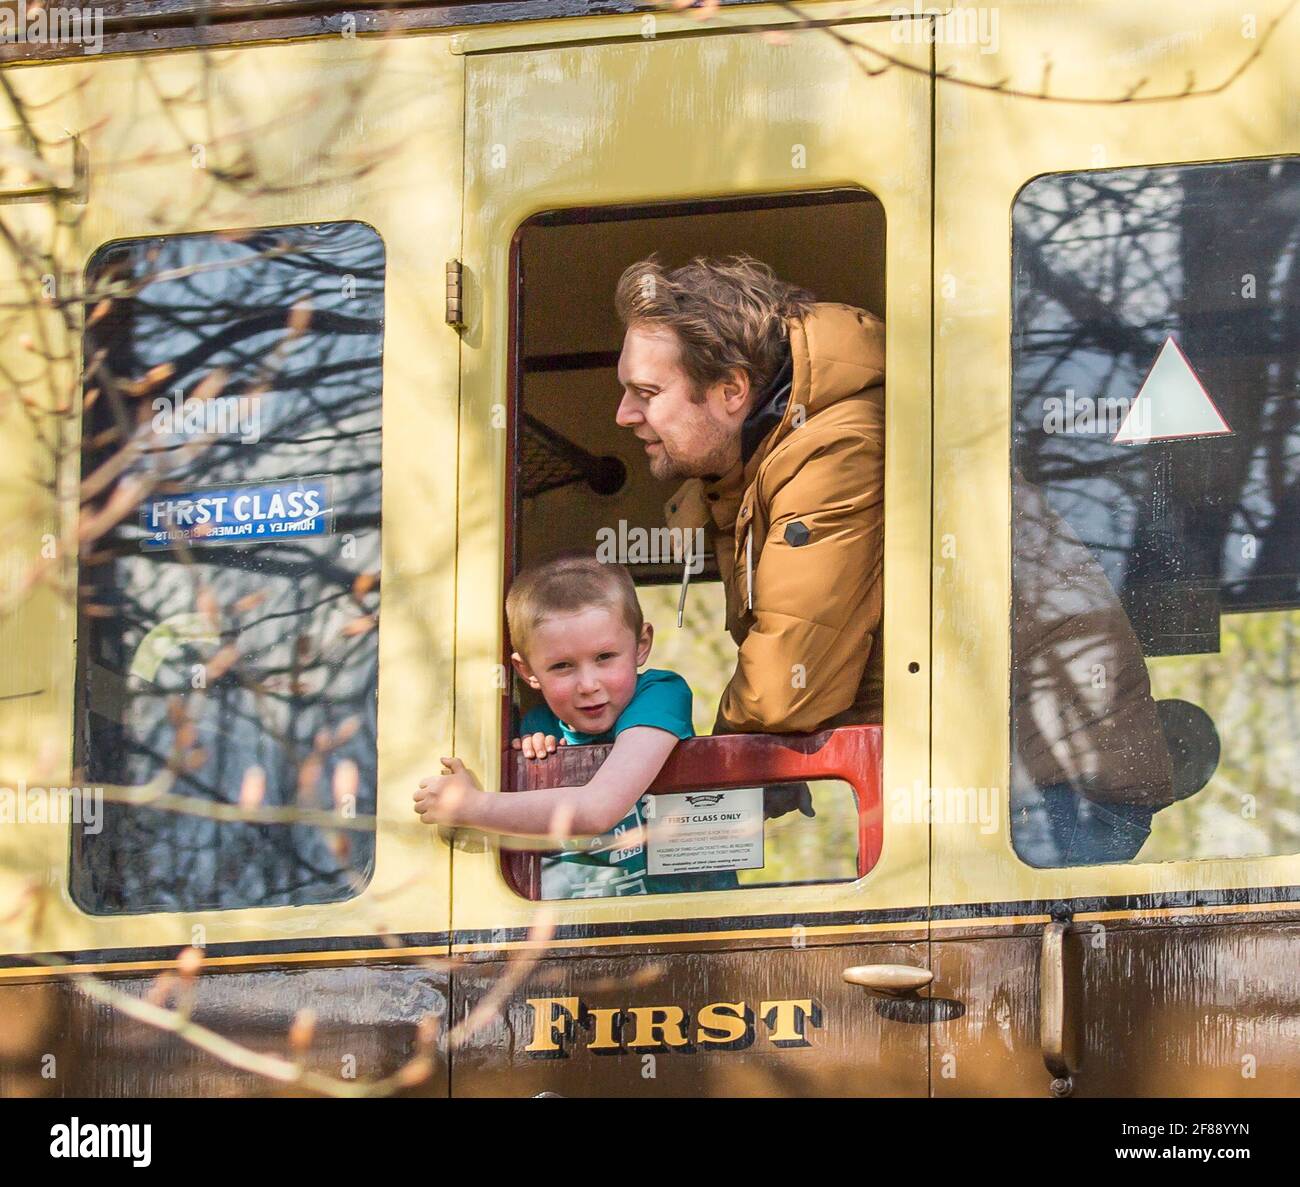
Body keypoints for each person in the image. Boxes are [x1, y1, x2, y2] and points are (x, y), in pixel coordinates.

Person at [614, 254, 885, 737]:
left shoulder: (837, 448)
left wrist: (704, 782)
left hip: (1037, 770)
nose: (624, 415)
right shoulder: (735, 475)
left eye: (647, 393)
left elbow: (782, 689)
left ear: (732, 390)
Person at [413, 554, 736, 897]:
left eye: (604, 658)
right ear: (528, 672)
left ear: (641, 646)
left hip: (687, 923)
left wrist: (471, 807)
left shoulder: (660, 696)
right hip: (579, 931)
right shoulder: (537, 726)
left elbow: (598, 810)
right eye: (563, 666)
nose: (588, 684)